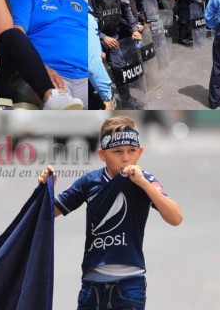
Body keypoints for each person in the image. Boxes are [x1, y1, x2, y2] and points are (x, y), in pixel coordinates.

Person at [38, 116, 182, 310]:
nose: (125, 158)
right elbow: (46, 214)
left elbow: (175, 217)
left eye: (132, 151)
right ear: (102, 154)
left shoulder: (145, 180)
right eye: (117, 152)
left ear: (140, 152)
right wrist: (46, 189)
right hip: (92, 285)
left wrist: (143, 184)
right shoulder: (90, 182)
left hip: (130, 285)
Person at [8, 0, 89, 108]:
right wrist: (40, 70)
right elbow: (15, 38)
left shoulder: (82, 5)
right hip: (45, 78)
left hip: (87, 79)